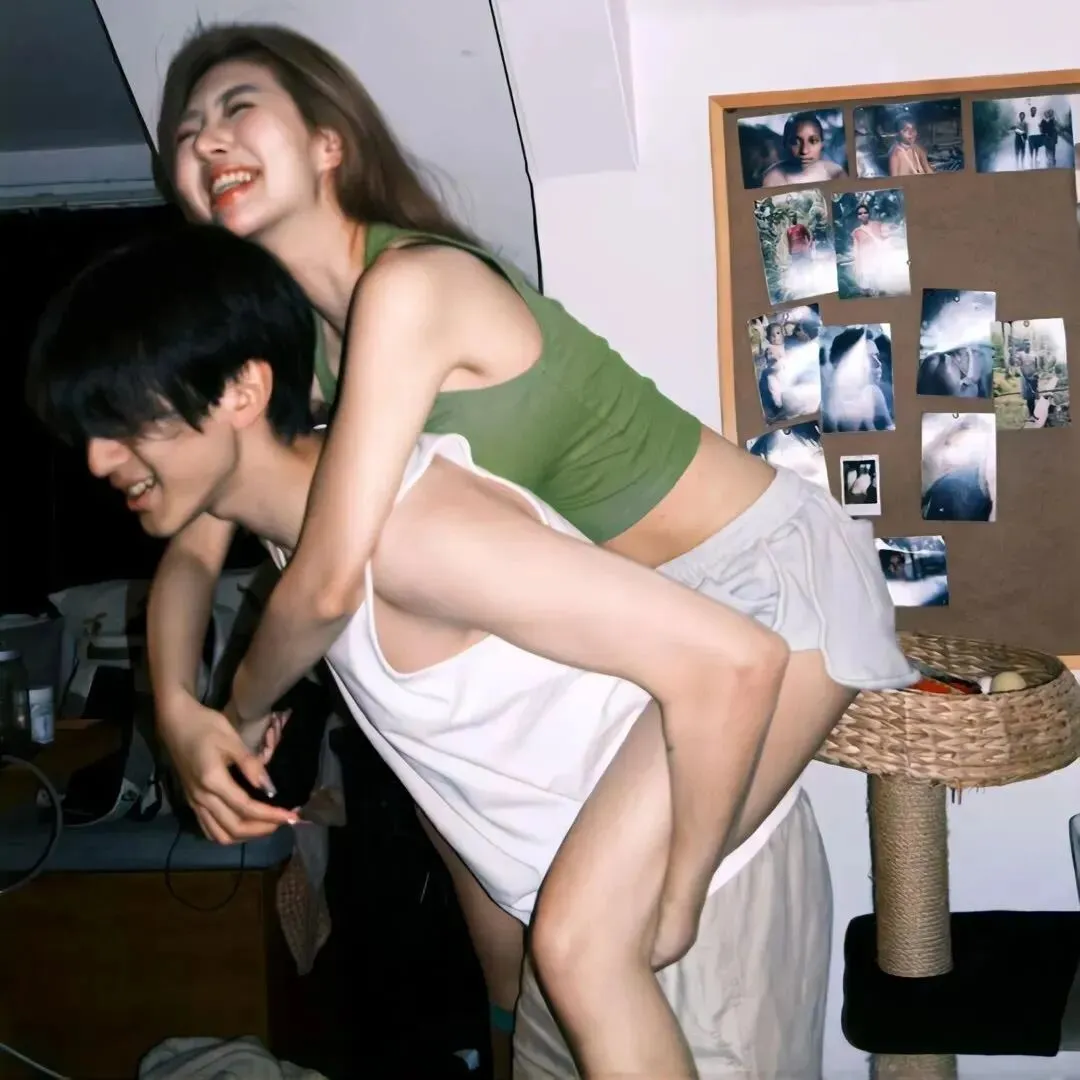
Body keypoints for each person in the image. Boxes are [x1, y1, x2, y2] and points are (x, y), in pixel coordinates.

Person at [147, 21, 911, 1073]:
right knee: (549, 951)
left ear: (329, 142)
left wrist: (234, 716)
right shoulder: (308, 361)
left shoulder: (409, 287)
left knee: (589, 941)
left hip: (770, 582)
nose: (205, 138)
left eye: (237, 107)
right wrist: (173, 711)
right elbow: (193, 548)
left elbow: (322, 588)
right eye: (186, 129)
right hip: (661, 634)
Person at [760, 111, 846, 187]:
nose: (804, 151)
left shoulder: (835, 174)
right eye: (796, 142)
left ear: (822, 143)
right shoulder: (772, 179)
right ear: (785, 143)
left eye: (813, 141)